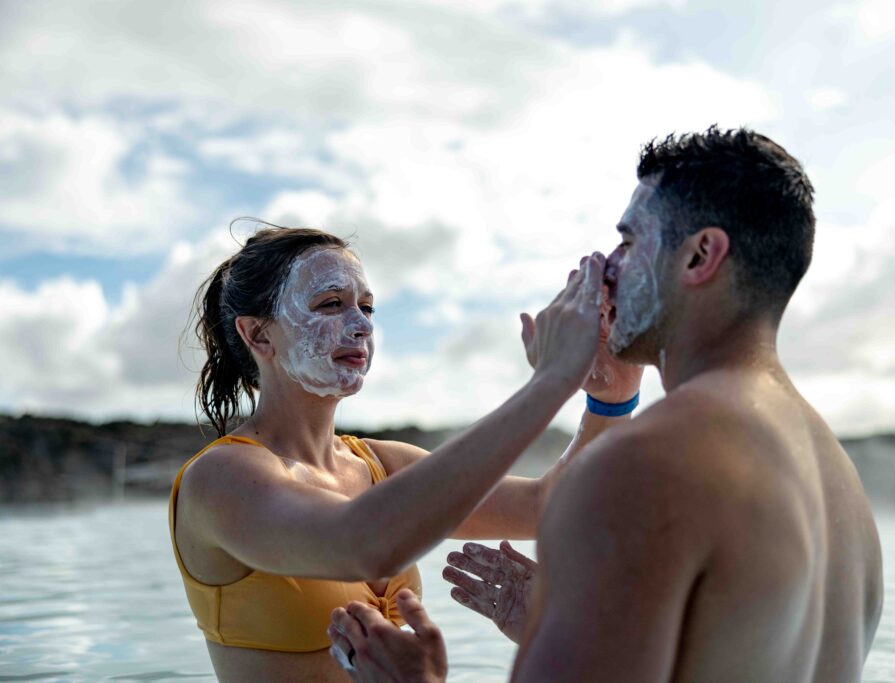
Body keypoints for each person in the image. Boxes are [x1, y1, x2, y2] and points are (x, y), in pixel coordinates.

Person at [328, 126, 885, 683]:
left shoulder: (644, 461)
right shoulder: (842, 487)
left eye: (627, 242)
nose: (605, 267)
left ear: (699, 256)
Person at [169, 226, 643, 682]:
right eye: (331, 304)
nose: (359, 325)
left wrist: (611, 399)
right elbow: (365, 544)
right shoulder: (220, 477)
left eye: (367, 308)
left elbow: (548, 507)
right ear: (258, 336)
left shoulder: (382, 464)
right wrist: (550, 380)